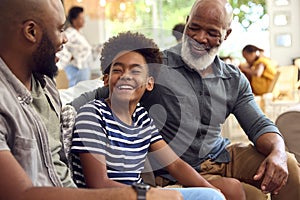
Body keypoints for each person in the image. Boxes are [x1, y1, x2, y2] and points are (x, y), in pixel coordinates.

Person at [69, 0, 300, 199]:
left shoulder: (233, 78)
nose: (200, 38)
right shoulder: (157, 66)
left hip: (220, 154)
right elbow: (105, 92)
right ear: (187, 22)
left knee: (288, 165)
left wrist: (278, 151)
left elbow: (259, 125)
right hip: (176, 169)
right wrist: (61, 110)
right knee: (245, 194)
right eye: (194, 28)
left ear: (226, 34)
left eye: (211, 33)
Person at [0, 0, 186, 199]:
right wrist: (138, 195)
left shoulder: (46, 87)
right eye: (60, 29)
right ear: (31, 32)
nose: (65, 40)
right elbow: (20, 194)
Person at [70, 31, 240, 200]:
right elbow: (98, 185)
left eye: (135, 71)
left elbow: (175, 164)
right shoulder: (92, 114)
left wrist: (212, 190)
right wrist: (153, 193)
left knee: (211, 195)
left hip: (140, 194)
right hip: (116, 197)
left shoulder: (141, 118)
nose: (126, 76)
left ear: (149, 83)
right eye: (118, 70)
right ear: (106, 79)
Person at [56, 6, 97, 87]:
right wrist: (70, 57)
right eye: (81, 18)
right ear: (74, 20)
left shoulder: (79, 34)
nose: (84, 20)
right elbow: (61, 47)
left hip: (84, 68)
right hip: (76, 69)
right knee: (76, 92)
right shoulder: (70, 33)